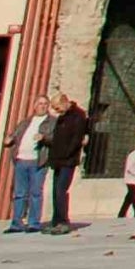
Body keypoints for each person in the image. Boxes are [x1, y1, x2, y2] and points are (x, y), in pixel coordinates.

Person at [42, 92, 88, 235]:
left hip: (68, 160)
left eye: (57, 108)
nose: (57, 111)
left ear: (64, 102)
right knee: (55, 190)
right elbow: (57, 138)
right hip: (57, 160)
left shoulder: (78, 115)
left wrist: (67, 153)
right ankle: (56, 220)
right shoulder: (63, 117)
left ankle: (63, 222)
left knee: (61, 190)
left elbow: (76, 139)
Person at [2, 96, 49, 233]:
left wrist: (44, 138)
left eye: (45, 104)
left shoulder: (51, 122)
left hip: (37, 161)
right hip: (21, 160)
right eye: (40, 103)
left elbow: (55, 138)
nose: (43, 106)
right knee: (19, 193)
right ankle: (16, 223)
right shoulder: (25, 122)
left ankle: (33, 223)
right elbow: (15, 135)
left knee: (35, 192)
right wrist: (9, 141)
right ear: (34, 106)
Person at [117, 141, 135, 219]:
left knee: (129, 197)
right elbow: (129, 168)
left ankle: (121, 213)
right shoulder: (134, 155)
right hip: (131, 180)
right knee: (134, 197)